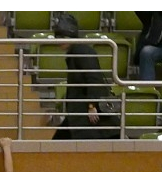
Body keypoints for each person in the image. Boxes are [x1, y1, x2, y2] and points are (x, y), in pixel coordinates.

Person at [51, 12, 119, 140]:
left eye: (62, 37)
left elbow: (94, 78)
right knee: (58, 142)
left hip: (86, 113)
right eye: (57, 37)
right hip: (79, 112)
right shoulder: (76, 51)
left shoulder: (80, 50)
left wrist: (92, 105)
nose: (59, 41)